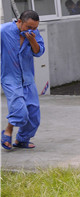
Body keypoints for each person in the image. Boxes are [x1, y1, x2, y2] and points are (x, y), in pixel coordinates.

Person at [1, 10, 45, 150]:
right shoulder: (4, 31)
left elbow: (39, 52)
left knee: (33, 115)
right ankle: (8, 131)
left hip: (27, 78)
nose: (32, 30)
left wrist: (32, 40)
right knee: (20, 111)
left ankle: (22, 140)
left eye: (35, 28)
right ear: (19, 22)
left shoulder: (34, 34)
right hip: (10, 78)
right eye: (29, 27)